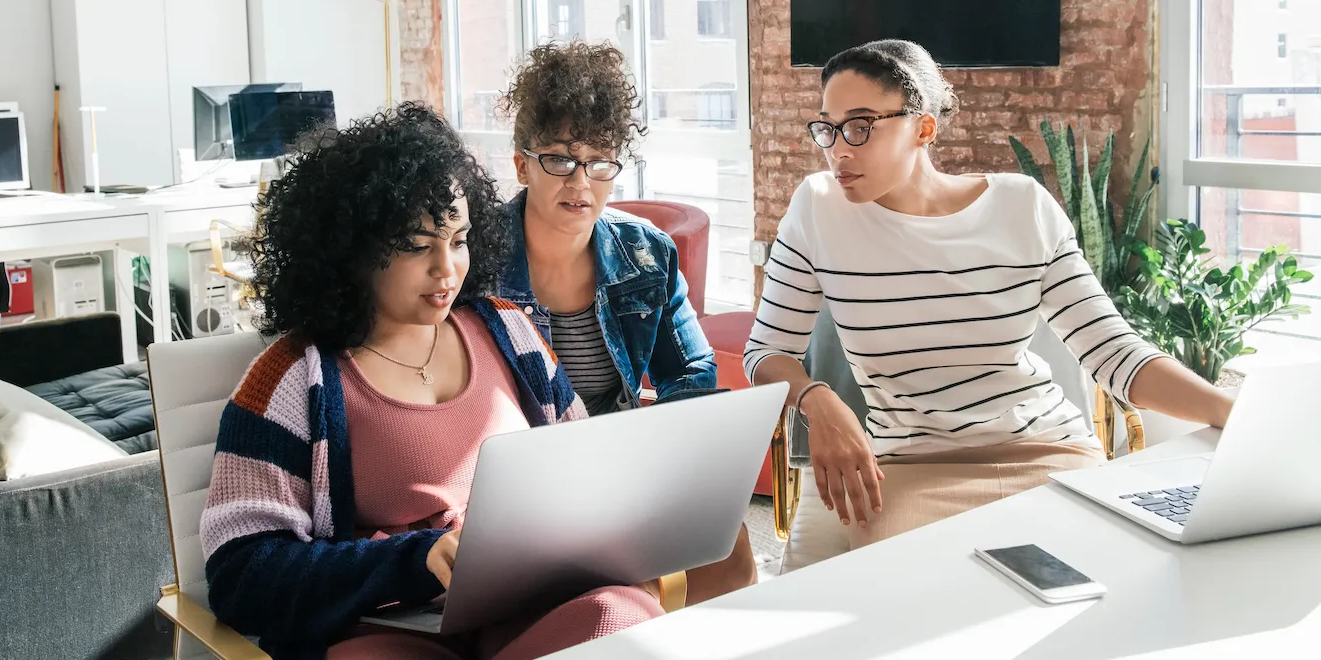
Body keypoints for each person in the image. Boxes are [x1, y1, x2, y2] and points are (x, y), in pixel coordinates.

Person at [200, 104, 665, 659]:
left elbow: (581, 474)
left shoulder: (509, 331)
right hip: (387, 630)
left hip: (518, 606)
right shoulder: (289, 379)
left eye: (459, 239)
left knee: (624, 615)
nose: (447, 268)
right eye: (419, 245)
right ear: (353, 248)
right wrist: (416, 560)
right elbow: (242, 575)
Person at [746, 40, 1236, 550]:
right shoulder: (818, 209)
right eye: (828, 127)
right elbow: (766, 353)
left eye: (861, 125)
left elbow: (1115, 354)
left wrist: (1232, 413)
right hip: (910, 467)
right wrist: (817, 399)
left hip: (1051, 451)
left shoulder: (1021, 206)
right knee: (925, 605)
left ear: (923, 128)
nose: (838, 149)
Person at [497, 41, 755, 600]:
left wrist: (655, 454)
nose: (580, 181)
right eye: (561, 159)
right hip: (520, 477)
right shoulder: (476, 262)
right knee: (623, 586)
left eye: (600, 161)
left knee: (727, 550)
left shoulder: (647, 255)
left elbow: (690, 367)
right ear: (522, 164)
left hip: (621, 459)